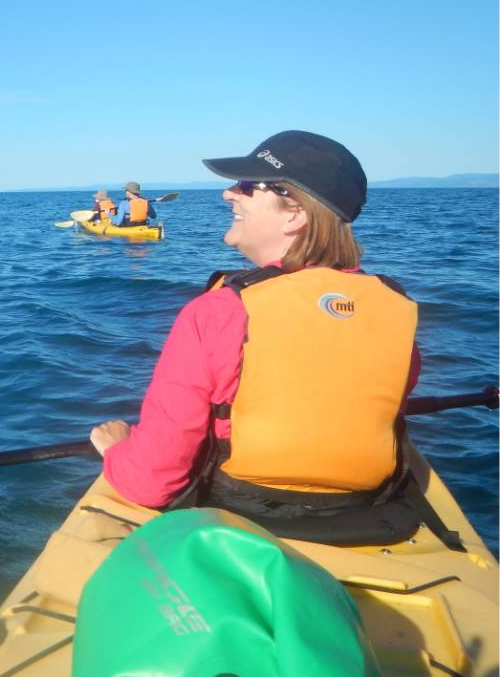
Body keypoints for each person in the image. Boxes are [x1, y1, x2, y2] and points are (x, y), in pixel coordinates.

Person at [89, 130, 429, 542]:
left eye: (248, 186)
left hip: (240, 518)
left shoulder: (219, 312)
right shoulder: (393, 305)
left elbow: (152, 481)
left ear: (295, 214)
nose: (229, 194)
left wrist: (118, 449)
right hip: (371, 515)